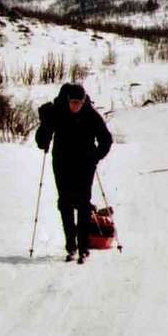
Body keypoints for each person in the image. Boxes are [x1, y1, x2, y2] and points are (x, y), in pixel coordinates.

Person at [35, 82, 112, 262]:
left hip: (85, 164)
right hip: (62, 163)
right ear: (68, 100)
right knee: (65, 203)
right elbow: (41, 138)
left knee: (84, 203)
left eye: (79, 103)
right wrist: (44, 132)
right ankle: (71, 246)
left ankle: (83, 247)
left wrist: (96, 156)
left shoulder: (91, 116)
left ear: (84, 101)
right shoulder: (58, 112)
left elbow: (106, 140)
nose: (75, 106)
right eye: (72, 102)